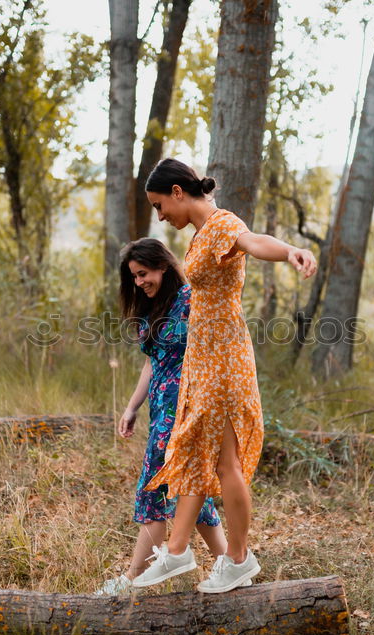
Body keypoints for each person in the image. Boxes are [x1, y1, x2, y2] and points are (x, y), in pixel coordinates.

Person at [131, 158, 317, 594]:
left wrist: (290, 250)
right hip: (204, 356)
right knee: (197, 449)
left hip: (223, 356)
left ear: (178, 191)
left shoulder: (220, 224)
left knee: (226, 462)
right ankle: (178, 551)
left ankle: (237, 558)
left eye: (160, 205)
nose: (161, 217)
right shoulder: (199, 237)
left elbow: (252, 240)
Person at [95, 238, 250, 595]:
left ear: (163, 266)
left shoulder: (192, 300)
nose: (139, 282)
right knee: (189, 488)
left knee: (154, 484)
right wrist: (133, 407)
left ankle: (131, 580)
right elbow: (153, 363)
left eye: (143, 273)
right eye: (134, 277)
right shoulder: (151, 310)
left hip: (190, 406)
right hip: (162, 409)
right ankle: (231, 563)